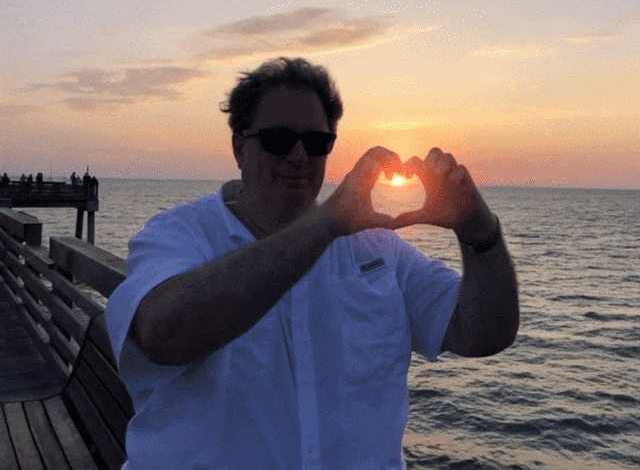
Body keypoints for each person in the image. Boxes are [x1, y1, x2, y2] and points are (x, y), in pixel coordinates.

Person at [105, 57, 519, 469]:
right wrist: (327, 224)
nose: (300, 156)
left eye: (317, 143)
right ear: (238, 147)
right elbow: (164, 333)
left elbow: (483, 333)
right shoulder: (179, 235)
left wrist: (477, 229)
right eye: (278, 140)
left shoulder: (379, 250)